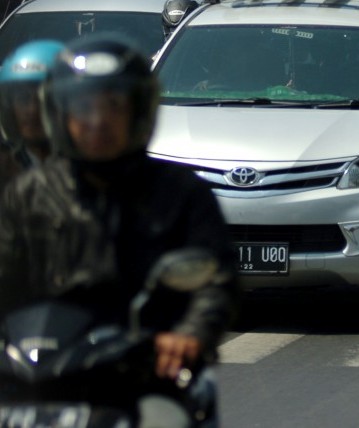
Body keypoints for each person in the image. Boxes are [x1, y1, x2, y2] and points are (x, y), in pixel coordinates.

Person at [0, 35, 238, 426]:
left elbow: (215, 281)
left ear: (139, 112)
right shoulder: (29, 194)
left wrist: (189, 335)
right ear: (61, 115)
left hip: (145, 372)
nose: (98, 121)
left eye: (113, 106)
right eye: (83, 107)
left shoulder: (181, 193)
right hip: (40, 374)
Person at [0, 40, 64, 190]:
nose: (32, 110)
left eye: (44, 100)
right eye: (23, 99)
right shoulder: (5, 165)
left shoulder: (91, 169)